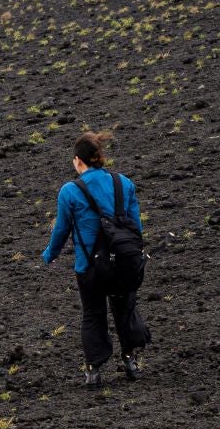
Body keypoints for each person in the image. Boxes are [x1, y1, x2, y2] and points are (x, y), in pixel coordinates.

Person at [41, 131, 150, 387]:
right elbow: (136, 227)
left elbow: (62, 230)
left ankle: (94, 370)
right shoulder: (124, 183)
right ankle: (130, 360)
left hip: (89, 266)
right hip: (124, 261)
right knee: (125, 310)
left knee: (93, 314)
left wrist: (50, 254)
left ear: (78, 160)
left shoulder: (70, 191)